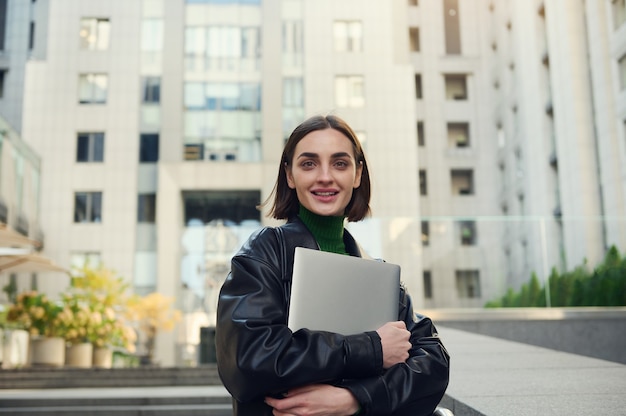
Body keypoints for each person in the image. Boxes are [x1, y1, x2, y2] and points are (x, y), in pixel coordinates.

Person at [216, 114, 450, 415]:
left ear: (357, 174)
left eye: (339, 163)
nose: (325, 176)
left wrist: (354, 399)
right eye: (308, 163)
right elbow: (247, 358)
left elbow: (432, 362)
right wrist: (373, 349)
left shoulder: (377, 272)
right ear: (290, 175)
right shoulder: (265, 252)